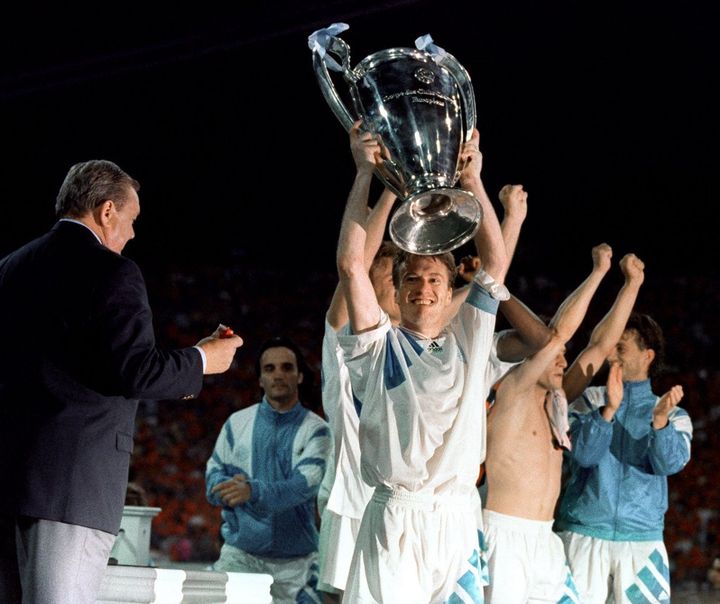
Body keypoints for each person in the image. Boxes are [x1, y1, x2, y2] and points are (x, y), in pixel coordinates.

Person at [0, 159, 242, 604]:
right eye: (130, 221)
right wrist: (203, 360)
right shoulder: (112, 270)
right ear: (107, 210)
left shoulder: (10, 268)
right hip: (71, 487)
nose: (131, 235)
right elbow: (134, 370)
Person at [335, 119, 509, 603]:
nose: (423, 289)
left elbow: (494, 264)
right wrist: (363, 174)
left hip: (457, 518)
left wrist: (473, 182)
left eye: (434, 279)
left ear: (451, 288)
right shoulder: (377, 345)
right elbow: (351, 265)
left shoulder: (470, 340)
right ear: (395, 288)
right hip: (395, 514)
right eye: (411, 279)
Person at [482, 243, 615, 603]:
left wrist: (628, 284)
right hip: (504, 537)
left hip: (545, 538)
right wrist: (597, 274)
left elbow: (598, 349)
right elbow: (556, 337)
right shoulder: (512, 389)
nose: (563, 361)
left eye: (564, 358)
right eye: (557, 358)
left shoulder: (554, 402)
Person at [554, 310, 692, 603]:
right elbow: (583, 455)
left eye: (621, 347)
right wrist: (608, 412)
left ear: (648, 355)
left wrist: (660, 424)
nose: (610, 354)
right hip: (582, 534)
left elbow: (669, 464)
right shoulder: (588, 399)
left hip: (641, 542)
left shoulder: (674, 415)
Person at [206, 336, 332, 604]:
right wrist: (228, 490)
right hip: (241, 558)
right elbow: (212, 481)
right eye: (269, 369)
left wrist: (250, 491)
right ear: (260, 379)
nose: (278, 375)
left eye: (287, 368)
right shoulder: (236, 424)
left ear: (299, 376)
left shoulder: (318, 430)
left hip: (296, 567)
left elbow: (302, 487)